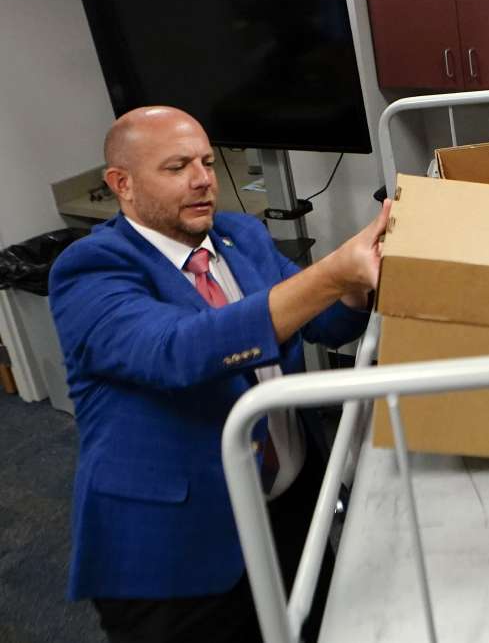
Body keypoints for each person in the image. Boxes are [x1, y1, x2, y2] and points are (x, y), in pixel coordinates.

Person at [49, 106, 389, 642]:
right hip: (177, 550)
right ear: (123, 184)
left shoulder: (240, 236)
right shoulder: (91, 269)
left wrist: (352, 285)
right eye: (177, 166)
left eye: (207, 162)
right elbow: (179, 352)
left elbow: (323, 320)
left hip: (289, 508)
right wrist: (329, 274)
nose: (203, 178)